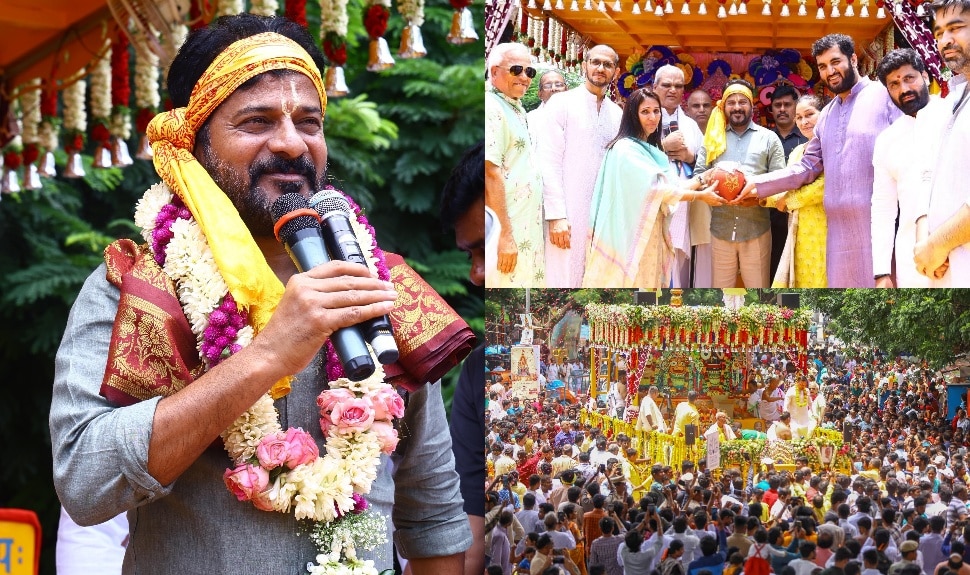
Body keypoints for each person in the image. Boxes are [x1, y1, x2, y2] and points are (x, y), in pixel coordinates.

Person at [49, 13, 472, 574]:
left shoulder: (378, 282)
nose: (292, 143)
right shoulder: (136, 287)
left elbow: (433, 510)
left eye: (309, 121)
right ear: (194, 144)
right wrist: (268, 356)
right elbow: (85, 480)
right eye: (256, 122)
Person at [735, 33, 902, 287]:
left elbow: (909, 153)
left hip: (877, 229)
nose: (830, 71)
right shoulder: (827, 115)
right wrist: (757, 184)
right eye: (823, 66)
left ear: (853, 59)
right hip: (835, 236)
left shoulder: (885, 96)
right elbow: (806, 167)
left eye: (836, 62)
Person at [582, 88, 723, 287]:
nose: (653, 117)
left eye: (656, 111)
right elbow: (658, 190)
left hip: (650, 230)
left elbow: (672, 186)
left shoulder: (648, 149)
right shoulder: (625, 149)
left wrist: (702, 179)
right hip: (631, 234)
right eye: (645, 111)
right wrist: (700, 196)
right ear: (633, 115)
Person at [441, 138, 489, 575]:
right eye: (470, 255)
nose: (476, 275)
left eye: (485, 249)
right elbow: (472, 505)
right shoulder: (482, 366)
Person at [538, 44, 622, 288]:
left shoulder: (616, 114)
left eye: (608, 64)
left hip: (600, 218)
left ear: (615, 72)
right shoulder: (561, 103)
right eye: (595, 62)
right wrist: (556, 216)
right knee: (562, 277)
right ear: (584, 65)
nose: (600, 68)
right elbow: (548, 160)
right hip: (566, 214)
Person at [695, 78, 786, 288]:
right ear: (724, 106)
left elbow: (780, 183)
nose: (737, 107)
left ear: (752, 105)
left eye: (742, 101)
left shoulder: (769, 139)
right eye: (731, 102)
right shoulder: (713, 139)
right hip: (721, 229)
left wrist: (755, 197)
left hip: (757, 230)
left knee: (759, 295)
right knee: (721, 293)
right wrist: (710, 192)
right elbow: (699, 175)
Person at [911, 0, 970, 286]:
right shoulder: (953, 99)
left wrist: (937, 245)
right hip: (943, 266)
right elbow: (931, 176)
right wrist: (926, 239)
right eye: (938, 32)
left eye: (956, 28)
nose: (945, 40)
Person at [871, 48, 941, 288]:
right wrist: (881, 272)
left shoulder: (955, 115)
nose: (904, 89)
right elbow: (883, 207)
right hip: (911, 259)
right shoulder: (887, 140)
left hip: (961, 245)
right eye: (894, 84)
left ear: (925, 76)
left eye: (909, 78)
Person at [485, 42, 545, 287]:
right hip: (507, 230)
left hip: (526, 227)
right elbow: (490, 172)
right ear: (495, 71)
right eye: (516, 70)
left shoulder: (515, 107)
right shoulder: (491, 107)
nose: (524, 77)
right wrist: (504, 236)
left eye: (529, 72)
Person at [762, 93, 828, 287]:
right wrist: (760, 197)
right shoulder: (797, 152)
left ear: (823, 114)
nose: (804, 122)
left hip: (823, 226)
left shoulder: (831, 146)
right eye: (799, 117)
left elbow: (824, 186)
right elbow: (786, 186)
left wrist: (789, 202)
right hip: (798, 227)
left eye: (809, 115)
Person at [655, 66, 710, 288]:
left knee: (678, 261)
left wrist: (689, 157)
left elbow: (705, 165)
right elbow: (631, 154)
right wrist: (662, 147)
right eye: (666, 85)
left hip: (683, 203)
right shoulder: (644, 117)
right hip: (653, 201)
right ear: (654, 87)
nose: (672, 90)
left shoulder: (690, 125)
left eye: (678, 86)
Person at [767, 84, 809, 282]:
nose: (782, 109)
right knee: (772, 263)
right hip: (771, 215)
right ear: (772, 109)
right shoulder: (765, 138)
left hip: (802, 211)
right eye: (777, 105)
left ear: (795, 107)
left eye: (787, 105)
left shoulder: (807, 138)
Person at [529, 70, 569, 148]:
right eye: (548, 86)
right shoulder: (530, 119)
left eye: (559, 85)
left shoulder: (579, 115)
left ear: (567, 90)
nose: (554, 89)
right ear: (540, 94)